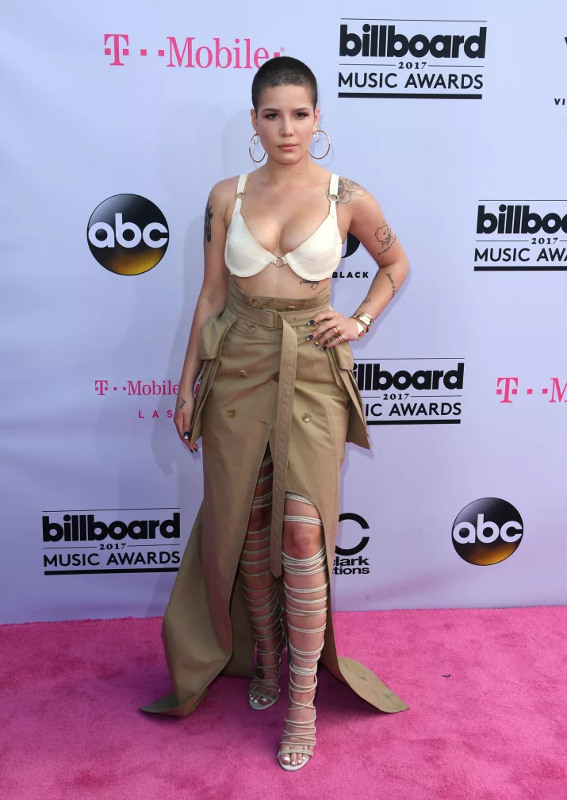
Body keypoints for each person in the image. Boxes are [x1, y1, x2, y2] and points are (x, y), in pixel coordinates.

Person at [141, 56, 410, 771]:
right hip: (237, 365)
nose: (286, 128)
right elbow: (210, 296)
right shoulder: (225, 196)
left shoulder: (348, 196)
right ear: (254, 120)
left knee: (302, 531)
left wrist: (358, 319)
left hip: (314, 370)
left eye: (299, 114)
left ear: (318, 119)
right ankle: (263, 654)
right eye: (271, 114)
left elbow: (396, 265)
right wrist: (185, 385)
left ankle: (301, 702)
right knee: (247, 524)